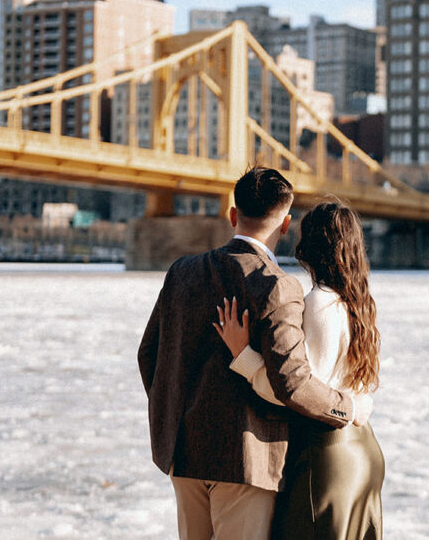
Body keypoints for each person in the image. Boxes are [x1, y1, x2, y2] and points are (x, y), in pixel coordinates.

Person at [138, 168, 373, 540]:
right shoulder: (279, 287)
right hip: (247, 460)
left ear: (233, 214)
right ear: (285, 224)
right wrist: (348, 407)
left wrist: (175, 422)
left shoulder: (181, 271)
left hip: (183, 456)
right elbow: (292, 384)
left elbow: (149, 355)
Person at [214, 200, 384, 540]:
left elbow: (297, 391)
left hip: (326, 455)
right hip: (362, 450)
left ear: (309, 246)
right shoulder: (357, 301)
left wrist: (242, 355)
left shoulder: (318, 303)